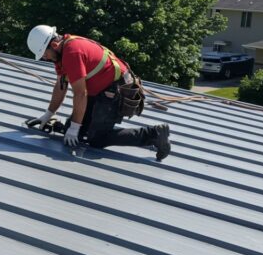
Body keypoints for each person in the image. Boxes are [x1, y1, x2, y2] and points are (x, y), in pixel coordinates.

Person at [25, 25, 171, 161]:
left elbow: (80, 94)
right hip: (101, 90)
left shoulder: (72, 53)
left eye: (44, 54)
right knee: (75, 130)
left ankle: (153, 135)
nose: (45, 58)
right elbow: (60, 85)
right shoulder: (61, 53)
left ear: (54, 45)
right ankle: (76, 127)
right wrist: (48, 114)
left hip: (116, 90)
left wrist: (75, 128)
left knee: (97, 139)